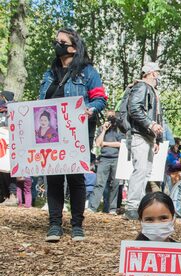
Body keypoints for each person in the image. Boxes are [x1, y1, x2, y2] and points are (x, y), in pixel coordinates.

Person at [39, 28, 107, 242]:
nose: (56, 44)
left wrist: (90, 109)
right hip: (51, 133)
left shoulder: (88, 73)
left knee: (76, 177)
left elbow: (100, 99)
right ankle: (54, 224)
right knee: (53, 177)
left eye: (62, 42)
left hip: (77, 132)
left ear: (74, 48)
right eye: (56, 41)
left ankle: (77, 225)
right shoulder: (50, 73)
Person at [123, 62, 164, 220]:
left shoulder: (152, 90)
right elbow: (134, 109)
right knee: (140, 169)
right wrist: (150, 124)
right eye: (157, 73)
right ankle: (132, 207)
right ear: (152, 73)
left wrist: (157, 139)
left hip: (148, 135)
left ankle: (138, 206)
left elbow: (157, 116)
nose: (159, 76)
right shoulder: (141, 87)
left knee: (146, 171)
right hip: (139, 133)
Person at [87, 111, 124, 214]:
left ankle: (112, 209)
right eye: (108, 117)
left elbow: (121, 144)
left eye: (112, 116)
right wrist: (104, 130)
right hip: (103, 159)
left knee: (115, 184)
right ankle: (92, 207)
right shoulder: (101, 129)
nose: (110, 118)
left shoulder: (119, 129)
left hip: (117, 159)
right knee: (99, 183)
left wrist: (105, 143)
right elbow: (98, 143)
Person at [0, 90, 17, 206]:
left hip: (10, 145)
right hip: (1, 144)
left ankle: (12, 195)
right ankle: (5, 195)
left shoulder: (14, 110)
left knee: (9, 170)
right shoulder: (1, 111)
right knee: (2, 170)